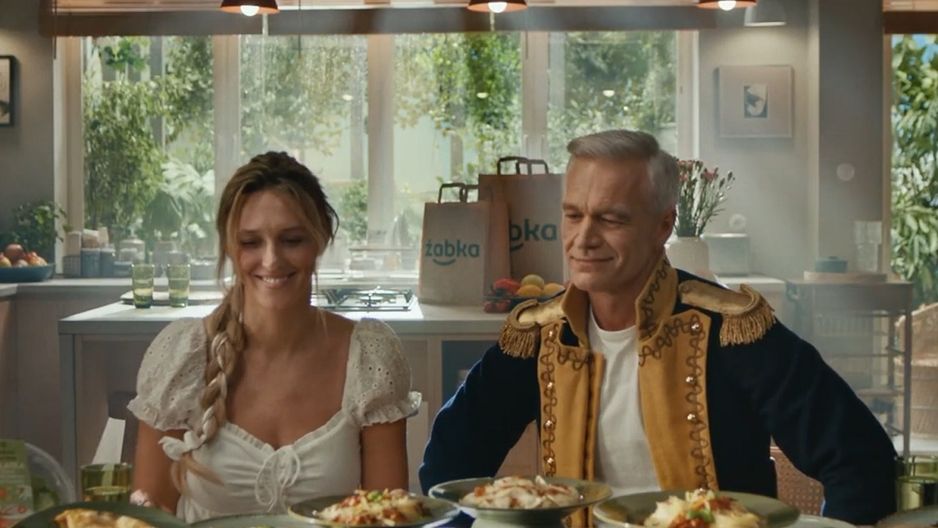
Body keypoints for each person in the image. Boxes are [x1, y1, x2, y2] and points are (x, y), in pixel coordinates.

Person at [419, 130, 896, 526]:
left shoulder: (731, 331)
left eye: (611, 218)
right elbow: (449, 460)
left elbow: (860, 459)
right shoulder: (538, 335)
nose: (584, 238)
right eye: (573, 215)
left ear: (663, 225)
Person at [128, 152, 420, 522]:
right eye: (251, 242)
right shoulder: (183, 354)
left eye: (292, 240)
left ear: (321, 240)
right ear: (229, 248)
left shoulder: (369, 356)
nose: (271, 261)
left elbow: (388, 517)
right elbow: (147, 517)